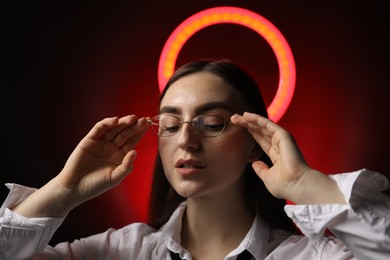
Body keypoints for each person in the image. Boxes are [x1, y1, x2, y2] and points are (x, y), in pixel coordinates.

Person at [0, 59, 389, 260]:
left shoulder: (310, 256)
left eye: (211, 122)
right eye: (170, 125)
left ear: (256, 141)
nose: (186, 139)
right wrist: (63, 191)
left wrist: (307, 185)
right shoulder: (118, 252)